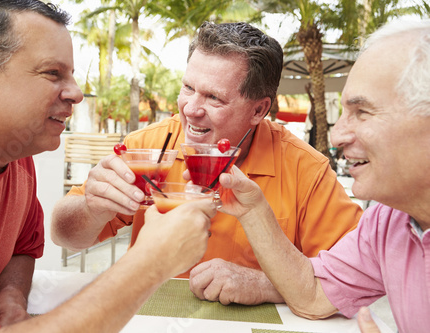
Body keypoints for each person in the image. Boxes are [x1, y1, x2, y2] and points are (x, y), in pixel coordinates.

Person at [0, 0, 216, 332]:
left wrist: (11, 296)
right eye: (53, 73)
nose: (77, 94)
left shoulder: (13, 150)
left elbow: (22, 247)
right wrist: (151, 262)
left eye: (72, 75)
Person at [51, 21, 363, 305]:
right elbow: (65, 236)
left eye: (214, 98)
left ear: (259, 110)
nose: (191, 109)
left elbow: (355, 277)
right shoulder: (149, 147)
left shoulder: (305, 169)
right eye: (188, 88)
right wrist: (91, 208)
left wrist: (265, 284)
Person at [214, 19, 430, 333]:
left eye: (362, 112)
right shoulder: (387, 221)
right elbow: (312, 295)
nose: (338, 135)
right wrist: (253, 210)